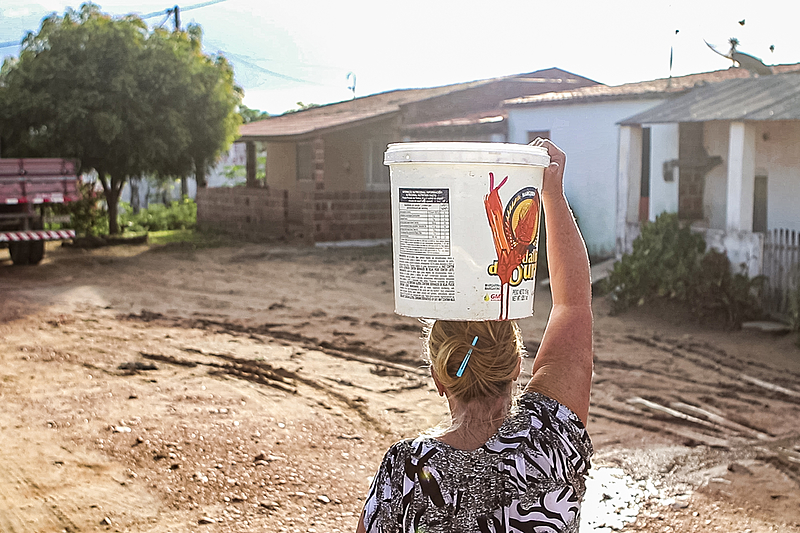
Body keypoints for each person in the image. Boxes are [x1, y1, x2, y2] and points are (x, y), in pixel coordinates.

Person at [357, 138, 594, 533]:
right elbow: (573, 305)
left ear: (439, 378)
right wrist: (551, 191)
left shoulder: (404, 472)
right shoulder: (551, 441)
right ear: (518, 364)